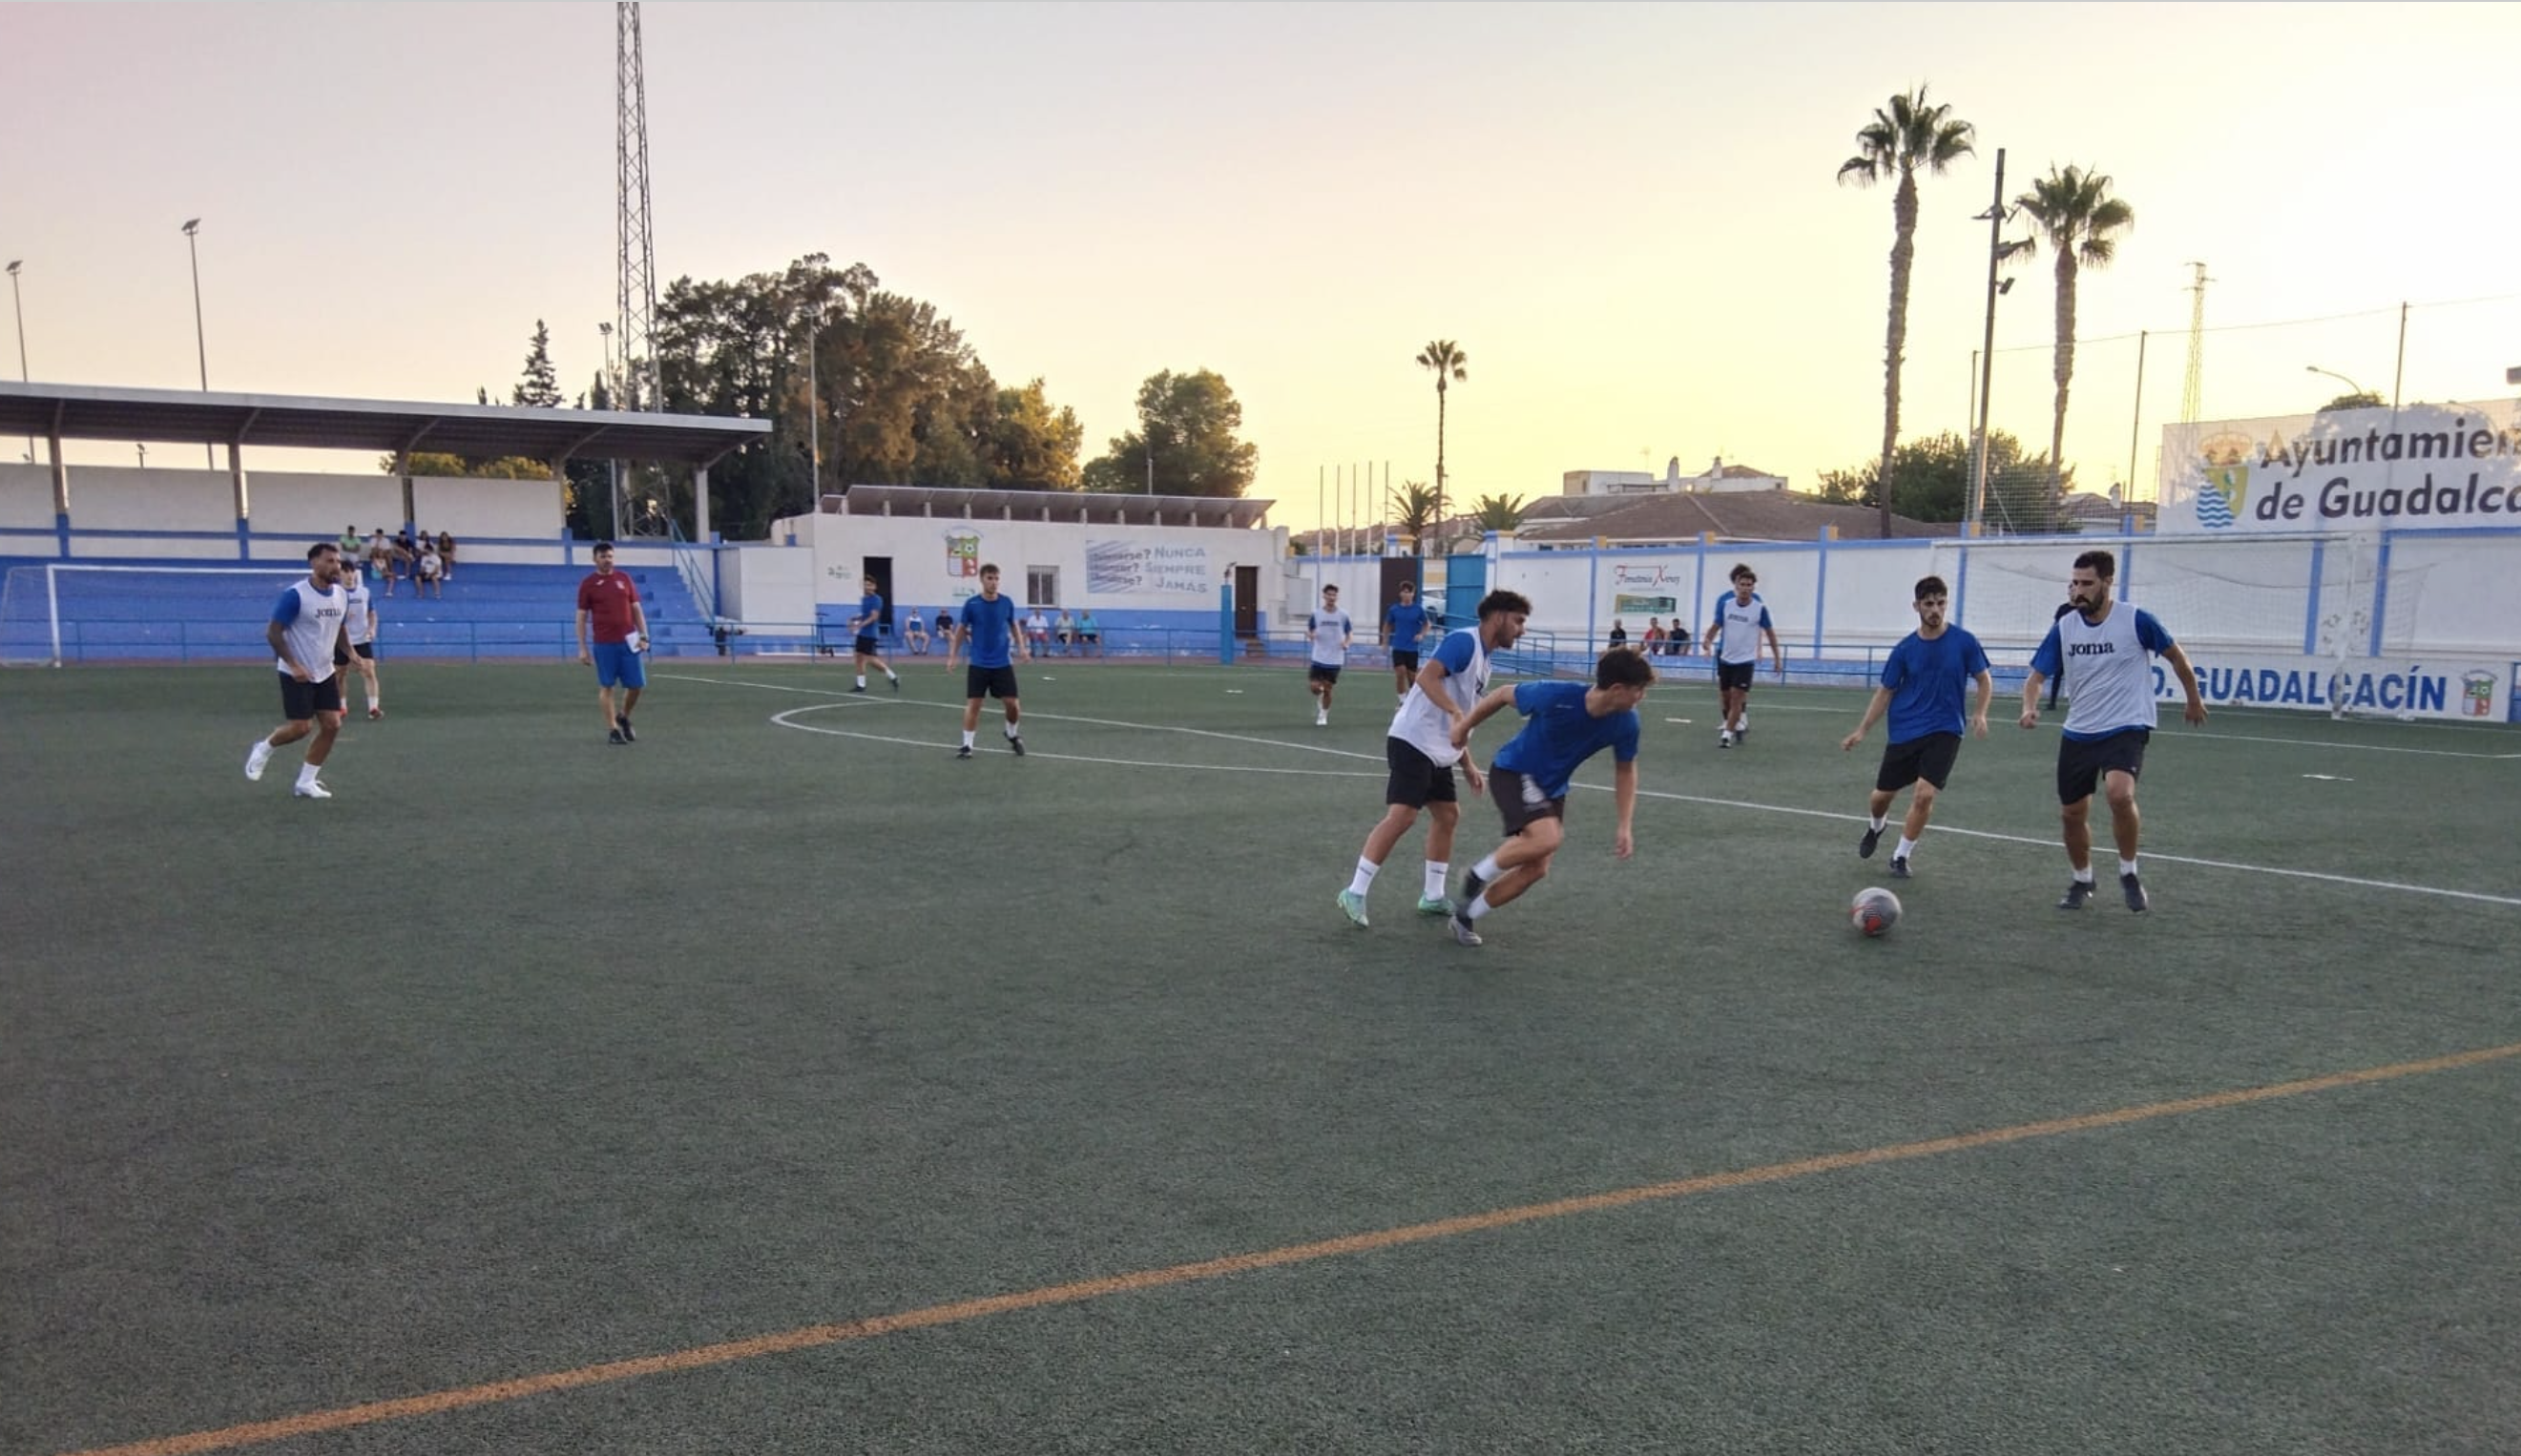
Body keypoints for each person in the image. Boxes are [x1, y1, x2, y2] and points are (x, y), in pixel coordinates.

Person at [2018, 549, 2208, 912]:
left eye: (2087, 583)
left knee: (2119, 795)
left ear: (2108, 582)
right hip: (2079, 732)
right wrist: (2029, 708)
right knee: (2072, 815)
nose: (2078, 591)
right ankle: (2082, 879)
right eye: (2074, 583)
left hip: (2126, 725)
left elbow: (2175, 656)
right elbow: (2037, 676)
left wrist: (2193, 699)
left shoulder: (2135, 620)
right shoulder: (2065, 627)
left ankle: (2129, 872)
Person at [1336, 589, 1531, 928]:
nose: (1522, 630)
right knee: (1402, 816)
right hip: (1412, 739)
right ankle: (1354, 891)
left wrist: (1466, 761)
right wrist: (1455, 711)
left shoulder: (1485, 658)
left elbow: (1460, 718)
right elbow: (1427, 678)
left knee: (1448, 815)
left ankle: (1432, 895)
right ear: (1498, 617)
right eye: (1518, 621)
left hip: (1439, 749)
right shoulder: (1463, 643)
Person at [1442, 650, 1654, 946]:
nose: (1641, 697)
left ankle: (1465, 914)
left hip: (1551, 787)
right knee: (1547, 838)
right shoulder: (1557, 695)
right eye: (1638, 690)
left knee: (1537, 868)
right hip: (1513, 771)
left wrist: (1624, 825)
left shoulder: (1627, 722)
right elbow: (1503, 694)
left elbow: (1625, 771)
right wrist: (1463, 727)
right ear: (1617, 689)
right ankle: (1477, 875)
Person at [1839, 575, 1991, 880]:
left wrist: (1980, 712)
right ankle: (1876, 826)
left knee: (1924, 794)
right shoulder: (1904, 650)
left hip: (1946, 729)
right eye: (1928, 604)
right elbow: (1885, 692)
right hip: (1905, 730)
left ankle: (1901, 856)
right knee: (1880, 797)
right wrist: (1862, 730)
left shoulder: (1964, 641)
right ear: (1916, 606)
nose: (1935, 609)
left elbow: (1984, 679)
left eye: (1940, 603)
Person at [244, 542, 358, 800]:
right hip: (296, 671)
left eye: (337, 562)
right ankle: (264, 747)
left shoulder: (341, 594)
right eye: (329, 561)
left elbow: (340, 627)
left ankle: (306, 782)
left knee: (332, 725)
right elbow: (273, 632)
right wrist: (294, 665)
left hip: (324, 670)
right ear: (313, 563)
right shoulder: (296, 595)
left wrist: (350, 652)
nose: (335, 567)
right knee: (300, 728)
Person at [946, 564, 1030, 759]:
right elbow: (960, 631)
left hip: (1002, 663)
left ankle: (1011, 733)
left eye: (996, 578)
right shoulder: (972, 604)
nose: (994, 582)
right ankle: (967, 746)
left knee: (1013, 705)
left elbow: (1014, 625)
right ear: (982, 580)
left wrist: (1022, 648)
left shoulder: (1006, 603)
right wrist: (952, 656)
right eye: (990, 578)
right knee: (974, 704)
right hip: (978, 663)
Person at [574, 540, 652, 745]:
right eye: (603, 557)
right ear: (595, 559)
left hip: (629, 640)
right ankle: (613, 730)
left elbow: (636, 609)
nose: (607, 560)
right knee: (607, 685)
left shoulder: (624, 579)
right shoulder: (588, 584)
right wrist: (582, 648)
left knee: (636, 685)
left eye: (610, 556)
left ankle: (623, 716)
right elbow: (581, 617)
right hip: (604, 643)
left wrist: (644, 636)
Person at [1700, 562, 1782, 748]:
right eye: (1742, 584)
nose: (1745, 588)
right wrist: (1707, 641)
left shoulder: (1759, 608)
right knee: (1725, 695)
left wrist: (1777, 658)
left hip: (1745, 660)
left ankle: (1728, 734)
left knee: (1738, 695)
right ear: (1735, 585)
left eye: (1749, 585)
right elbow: (1716, 625)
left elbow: (1770, 633)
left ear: (1753, 587)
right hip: (1725, 656)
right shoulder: (1726, 604)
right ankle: (1732, 722)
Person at [334, 558, 383, 720]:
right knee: (340, 674)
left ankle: (373, 708)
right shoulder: (334, 593)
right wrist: (342, 617)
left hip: (362, 639)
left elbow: (372, 613)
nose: (349, 575)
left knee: (369, 671)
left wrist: (372, 628)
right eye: (345, 571)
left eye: (351, 571)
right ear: (339, 573)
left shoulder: (364, 592)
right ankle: (342, 707)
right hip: (340, 640)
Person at [1304, 584, 1354, 726]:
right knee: (1314, 687)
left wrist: (1346, 643)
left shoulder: (1343, 615)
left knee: (1328, 688)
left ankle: (1323, 715)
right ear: (1324, 596)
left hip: (1335, 658)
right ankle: (1319, 694)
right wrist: (1311, 635)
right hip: (1318, 656)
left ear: (1337, 597)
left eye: (1334, 595)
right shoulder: (1316, 614)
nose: (1331, 597)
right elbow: (1311, 631)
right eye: (1329, 595)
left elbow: (1350, 633)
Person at [847, 575, 901, 694]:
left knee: (870, 659)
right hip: (862, 634)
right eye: (866, 585)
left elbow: (874, 617)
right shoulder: (864, 599)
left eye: (870, 585)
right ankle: (860, 685)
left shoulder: (877, 599)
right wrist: (854, 618)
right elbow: (865, 614)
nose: (868, 587)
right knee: (858, 658)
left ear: (875, 586)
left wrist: (859, 625)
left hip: (871, 634)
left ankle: (892, 676)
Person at [1384, 580, 1431, 702]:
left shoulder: (1418, 609)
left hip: (1412, 648)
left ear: (1413, 594)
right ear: (1400, 594)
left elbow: (1427, 624)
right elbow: (1387, 625)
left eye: (1409, 592)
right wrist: (1385, 642)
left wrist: (1422, 634)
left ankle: (1413, 699)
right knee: (1400, 672)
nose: (1407, 595)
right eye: (1404, 592)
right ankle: (1402, 700)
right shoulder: (1394, 609)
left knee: (1412, 677)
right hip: (1398, 646)